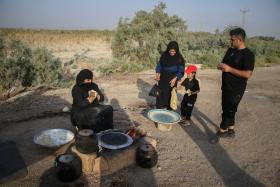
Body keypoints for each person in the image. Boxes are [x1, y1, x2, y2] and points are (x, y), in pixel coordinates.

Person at [210, 28, 255, 144]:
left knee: (227, 112)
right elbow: (225, 64)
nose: (230, 41)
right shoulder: (230, 50)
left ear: (240, 40)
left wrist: (230, 69)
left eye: (232, 39)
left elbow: (248, 74)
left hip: (237, 89)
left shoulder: (248, 55)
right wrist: (221, 66)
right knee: (228, 109)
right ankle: (231, 132)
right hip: (226, 86)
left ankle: (220, 133)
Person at [156, 41, 185, 110]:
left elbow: (181, 70)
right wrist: (157, 73)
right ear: (168, 49)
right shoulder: (164, 55)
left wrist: (175, 79)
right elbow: (159, 65)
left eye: (174, 51)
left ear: (177, 50)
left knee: (171, 93)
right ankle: (159, 107)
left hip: (173, 77)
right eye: (170, 51)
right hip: (163, 77)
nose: (172, 53)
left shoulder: (179, 58)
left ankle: (169, 108)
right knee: (161, 93)